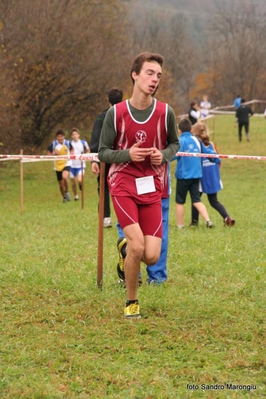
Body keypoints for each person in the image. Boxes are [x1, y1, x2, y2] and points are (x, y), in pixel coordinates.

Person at [98, 52, 179, 318]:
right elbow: (103, 153)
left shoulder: (166, 112)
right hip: (122, 183)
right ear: (135, 74)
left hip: (151, 186)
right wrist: (127, 155)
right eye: (149, 73)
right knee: (137, 246)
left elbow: (174, 145)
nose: (154, 79)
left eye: (158, 75)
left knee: (152, 256)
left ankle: (124, 248)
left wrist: (163, 155)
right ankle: (131, 302)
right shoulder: (116, 113)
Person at [116, 162, 171, 286]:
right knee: (130, 226)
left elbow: (172, 147)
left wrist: (162, 154)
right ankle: (145, 276)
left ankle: (155, 276)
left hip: (155, 183)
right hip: (126, 183)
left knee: (157, 230)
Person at [172, 118, 220, 229]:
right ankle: (208, 220)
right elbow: (207, 152)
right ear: (192, 129)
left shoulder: (180, 141)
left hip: (183, 177)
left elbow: (173, 155)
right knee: (196, 200)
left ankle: (180, 226)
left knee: (180, 202)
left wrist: (161, 159)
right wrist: (216, 158)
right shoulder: (197, 141)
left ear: (179, 130)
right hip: (196, 176)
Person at [190, 122, 235, 227]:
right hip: (213, 175)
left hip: (202, 176)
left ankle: (194, 223)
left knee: (196, 200)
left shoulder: (196, 145)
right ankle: (227, 217)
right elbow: (218, 160)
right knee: (214, 201)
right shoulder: (212, 144)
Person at [90, 88, 123, 228]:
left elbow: (95, 139)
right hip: (123, 157)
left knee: (104, 187)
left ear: (108, 100)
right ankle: (123, 218)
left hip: (105, 156)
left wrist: (94, 159)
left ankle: (106, 218)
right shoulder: (127, 114)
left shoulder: (101, 117)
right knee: (123, 186)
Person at [47, 129, 73, 203]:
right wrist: (53, 154)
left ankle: (67, 191)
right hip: (57, 165)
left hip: (66, 163)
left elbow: (72, 150)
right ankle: (64, 197)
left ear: (64, 136)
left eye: (61, 136)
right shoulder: (53, 144)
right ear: (56, 137)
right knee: (61, 184)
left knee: (65, 177)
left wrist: (71, 155)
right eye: (58, 136)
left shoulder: (67, 143)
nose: (60, 138)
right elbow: (48, 153)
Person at [70, 128, 90, 201]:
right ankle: (76, 196)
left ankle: (81, 186)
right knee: (73, 182)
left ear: (79, 135)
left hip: (80, 165)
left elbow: (88, 150)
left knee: (79, 180)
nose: (74, 136)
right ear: (71, 136)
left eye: (76, 134)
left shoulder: (83, 142)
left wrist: (85, 156)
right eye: (73, 134)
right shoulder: (70, 143)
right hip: (72, 165)